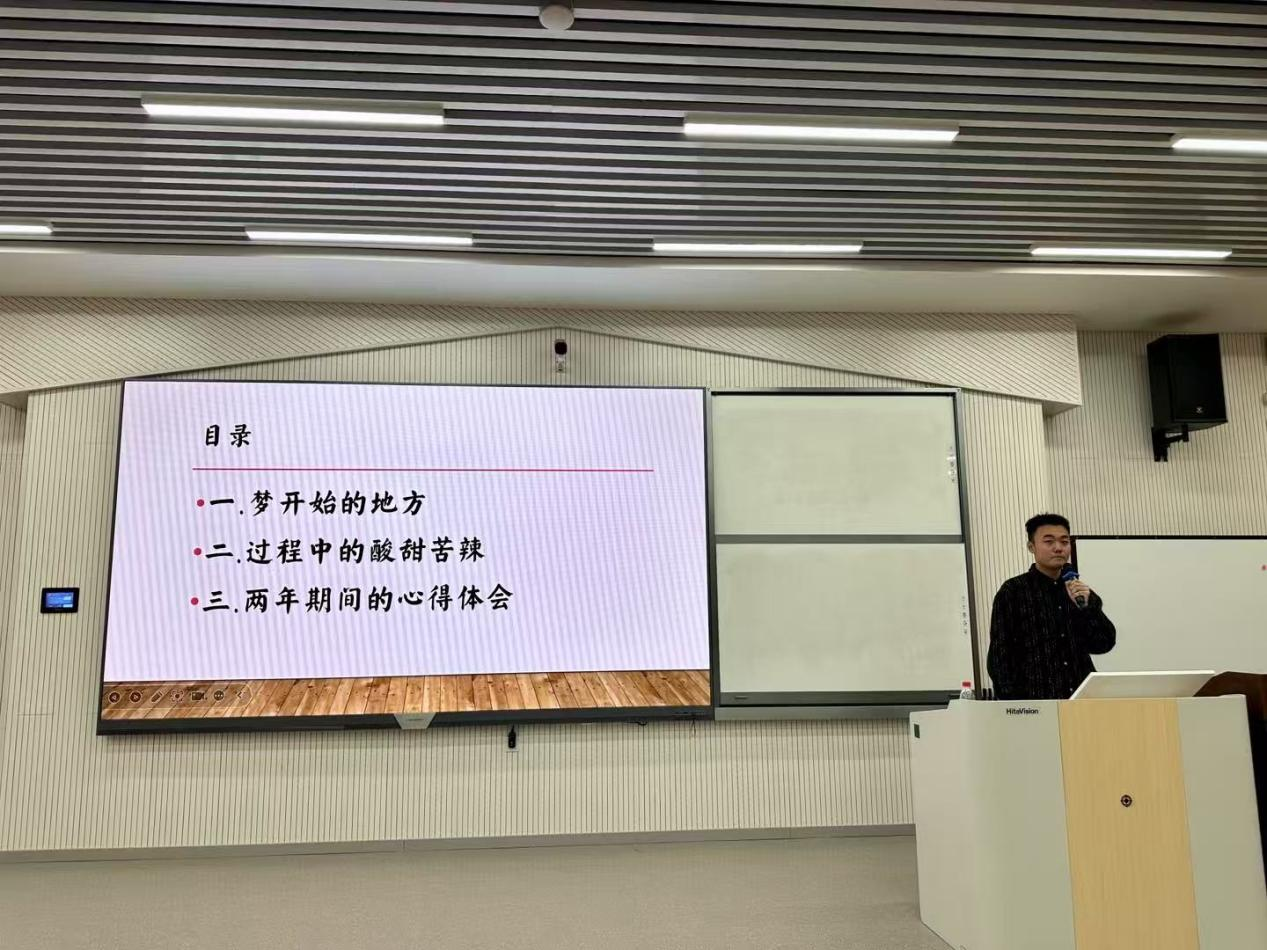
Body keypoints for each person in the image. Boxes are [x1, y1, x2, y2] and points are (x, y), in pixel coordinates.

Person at [986, 513, 1116, 700]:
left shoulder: (1080, 592)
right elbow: (1000, 655)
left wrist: (1088, 609)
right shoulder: (1013, 591)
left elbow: (1103, 644)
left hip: (1082, 699)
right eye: (1049, 542)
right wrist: (1015, 704)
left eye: (1064, 542)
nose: (1058, 548)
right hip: (1035, 700)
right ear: (1031, 547)